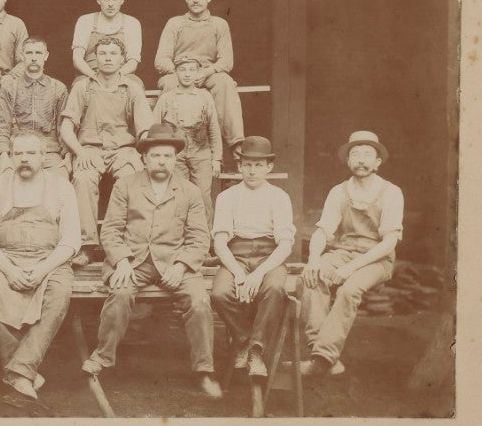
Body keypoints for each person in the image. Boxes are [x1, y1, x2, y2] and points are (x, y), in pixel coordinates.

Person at [82, 123, 221, 398]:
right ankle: (102, 357)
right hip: (133, 260)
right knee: (120, 294)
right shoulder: (126, 185)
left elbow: (199, 239)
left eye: (168, 156)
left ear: (175, 158)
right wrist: (121, 260)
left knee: (199, 301)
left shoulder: (190, 191)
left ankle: (204, 370)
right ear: (144, 158)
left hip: (175, 262)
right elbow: (110, 230)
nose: (162, 161)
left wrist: (181, 265)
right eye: (156, 155)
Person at [0, 132, 81, 399]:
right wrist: (10, 270)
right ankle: (24, 369)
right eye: (18, 154)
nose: (24, 159)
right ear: (10, 157)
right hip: (5, 259)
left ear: (44, 157)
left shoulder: (61, 187)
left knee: (59, 294)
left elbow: (70, 241)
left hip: (49, 261)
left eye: (31, 153)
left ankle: (19, 371)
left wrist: (43, 269)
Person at [300, 130, 405, 378]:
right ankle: (322, 354)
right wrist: (314, 259)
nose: (361, 159)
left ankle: (322, 358)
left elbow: (389, 242)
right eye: (355, 154)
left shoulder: (391, 192)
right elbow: (322, 230)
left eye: (367, 154)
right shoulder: (339, 191)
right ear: (347, 161)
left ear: (378, 162)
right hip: (344, 252)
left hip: (376, 258)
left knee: (349, 290)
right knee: (309, 279)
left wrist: (351, 268)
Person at [59, 35, 154, 265]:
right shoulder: (83, 88)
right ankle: (87, 246)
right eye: (102, 53)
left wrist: (141, 155)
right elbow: (66, 127)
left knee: (132, 179)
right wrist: (80, 152)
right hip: (90, 149)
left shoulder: (131, 89)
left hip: (123, 149)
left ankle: (129, 243)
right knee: (82, 180)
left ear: (122, 59)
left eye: (113, 54)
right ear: (95, 59)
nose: (108, 58)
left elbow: (145, 130)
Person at [211, 136, 295, 379]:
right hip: (235, 256)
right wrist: (238, 273)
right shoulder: (227, 197)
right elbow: (219, 242)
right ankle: (245, 339)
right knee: (220, 293)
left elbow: (285, 244)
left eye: (259, 165)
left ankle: (256, 350)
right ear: (239, 166)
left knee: (275, 288)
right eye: (247, 164)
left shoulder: (279, 197)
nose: (252, 170)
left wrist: (258, 274)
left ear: (269, 167)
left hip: (270, 257)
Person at [153, 0, 244, 149]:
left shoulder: (219, 24)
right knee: (169, 84)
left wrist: (207, 72)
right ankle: (169, 143)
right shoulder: (175, 23)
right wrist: (181, 72)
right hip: (179, 74)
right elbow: (161, 59)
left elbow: (226, 61)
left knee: (225, 82)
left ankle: (236, 144)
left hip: (207, 74)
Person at [152, 55, 224, 211]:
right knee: (178, 194)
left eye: (192, 70)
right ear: (175, 72)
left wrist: (217, 158)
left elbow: (213, 128)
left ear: (198, 72)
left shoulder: (205, 96)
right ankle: (179, 234)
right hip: (176, 154)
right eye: (182, 70)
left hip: (201, 151)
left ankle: (203, 234)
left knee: (203, 195)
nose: (187, 74)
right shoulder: (166, 98)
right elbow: (154, 127)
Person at [0, 36, 70, 176]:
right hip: (17, 151)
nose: (34, 58)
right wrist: (3, 157)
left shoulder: (58, 88)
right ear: (22, 56)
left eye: (38, 53)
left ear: (46, 56)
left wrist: (67, 157)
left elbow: (63, 127)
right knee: (5, 178)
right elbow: (1, 125)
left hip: (49, 153)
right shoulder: (9, 87)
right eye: (29, 53)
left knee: (61, 179)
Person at [72, 0, 143, 83]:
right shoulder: (85, 21)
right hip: (90, 74)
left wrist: (115, 76)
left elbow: (133, 62)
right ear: (98, 0)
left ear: (122, 0)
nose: (110, 4)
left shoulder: (132, 23)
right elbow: (77, 59)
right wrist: (95, 76)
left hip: (121, 75)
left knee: (136, 84)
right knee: (78, 86)